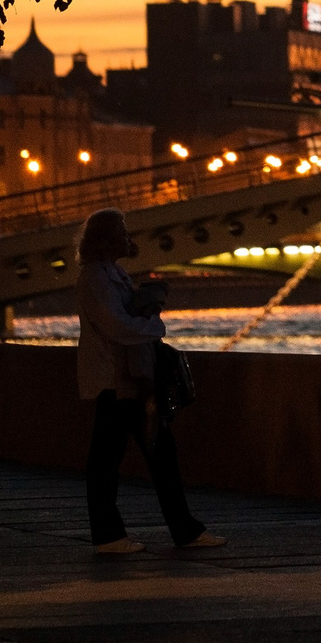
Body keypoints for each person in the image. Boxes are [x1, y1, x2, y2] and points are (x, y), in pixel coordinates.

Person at [76, 208, 223, 556]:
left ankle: (139, 532)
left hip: (130, 379)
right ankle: (125, 534)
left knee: (140, 456)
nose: (129, 238)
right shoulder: (96, 278)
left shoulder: (112, 274)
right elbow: (116, 326)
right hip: (117, 381)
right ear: (107, 239)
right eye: (122, 232)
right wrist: (154, 325)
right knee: (118, 459)